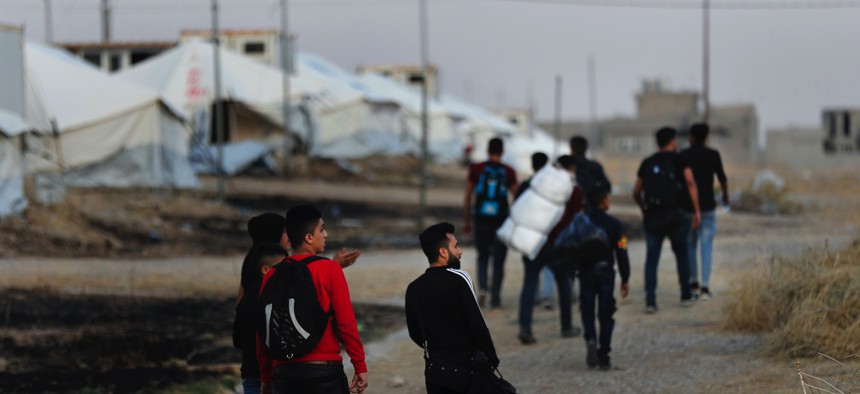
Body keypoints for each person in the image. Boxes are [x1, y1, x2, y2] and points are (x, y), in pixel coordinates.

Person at [234, 213, 359, 394]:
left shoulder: (264, 274)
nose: (288, 236)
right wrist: (359, 364)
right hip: (317, 368)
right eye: (284, 231)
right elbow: (344, 320)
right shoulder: (280, 274)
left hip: (278, 370)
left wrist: (267, 376)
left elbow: (255, 330)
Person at [405, 222, 500, 394]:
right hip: (467, 372)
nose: (460, 251)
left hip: (435, 373)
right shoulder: (460, 278)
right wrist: (492, 359)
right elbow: (477, 323)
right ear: (443, 252)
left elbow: (415, 333)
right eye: (456, 246)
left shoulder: (414, 288)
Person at [513, 155, 582, 344]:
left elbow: (518, 206)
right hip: (558, 243)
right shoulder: (573, 189)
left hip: (533, 239)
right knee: (564, 282)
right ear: (571, 169)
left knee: (529, 282)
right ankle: (566, 326)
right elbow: (576, 217)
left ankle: (525, 328)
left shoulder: (533, 183)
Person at [633, 127, 701, 313]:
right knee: (682, 254)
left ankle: (650, 301)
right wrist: (696, 210)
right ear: (672, 141)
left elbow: (637, 191)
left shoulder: (647, 162)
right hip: (676, 215)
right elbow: (690, 183)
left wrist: (644, 208)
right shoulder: (680, 159)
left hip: (653, 216)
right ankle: (686, 294)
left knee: (652, 259)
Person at [578, 187, 630, 370]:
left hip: (585, 273)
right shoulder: (615, 225)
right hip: (606, 272)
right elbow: (622, 250)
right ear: (603, 202)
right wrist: (625, 278)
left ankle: (591, 338)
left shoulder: (581, 222)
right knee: (606, 313)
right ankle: (604, 354)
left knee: (587, 311)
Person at [463, 137, 518, 308]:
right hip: (501, 220)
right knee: (499, 260)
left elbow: (468, 195)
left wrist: (467, 221)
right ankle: (496, 298)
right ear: (502, 152)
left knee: (483, 256)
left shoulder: (476, 169)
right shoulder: (508, 171)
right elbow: (516, 195)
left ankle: (483, 289)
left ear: (488, 150)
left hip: (480, 219)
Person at [680, 123, 728, 300]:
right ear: (707, 137)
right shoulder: (713, 155)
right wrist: (725, 196)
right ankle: (706, 287)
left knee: (690, 244)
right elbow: (722, 178)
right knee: (706, 245)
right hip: (708, 206)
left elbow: (682, 181)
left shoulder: (683, 155)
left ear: (691, 137)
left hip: (687, 207)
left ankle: (693, 283)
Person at [515, 152, 556, 310]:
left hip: (529, 232)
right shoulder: (552, 184)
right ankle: (547, 296)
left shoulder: (526, 184)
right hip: (547, 231)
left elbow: (517, 207)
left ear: (532, 165)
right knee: (548, 266)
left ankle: (534, 297)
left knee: (531, 268)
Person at [569, 135, 612, 206]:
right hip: (589, 207)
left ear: (571, 148)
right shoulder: (594, 166)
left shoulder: (565, 165)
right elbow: (607, 187)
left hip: (569, 208)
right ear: (586, 149)